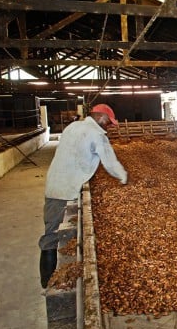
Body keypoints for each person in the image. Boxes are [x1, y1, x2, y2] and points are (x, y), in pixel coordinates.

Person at [38, 104, 128, 288]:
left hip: (54, 185)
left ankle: (47, 282)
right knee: (56, 236)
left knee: (51, 231)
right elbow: (110, 163)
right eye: (108, 123)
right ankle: (51, 286)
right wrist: (124, 179)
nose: (108, 127)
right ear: (102, 117)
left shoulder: (73, 127)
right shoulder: (97, 134)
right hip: (67, 190)